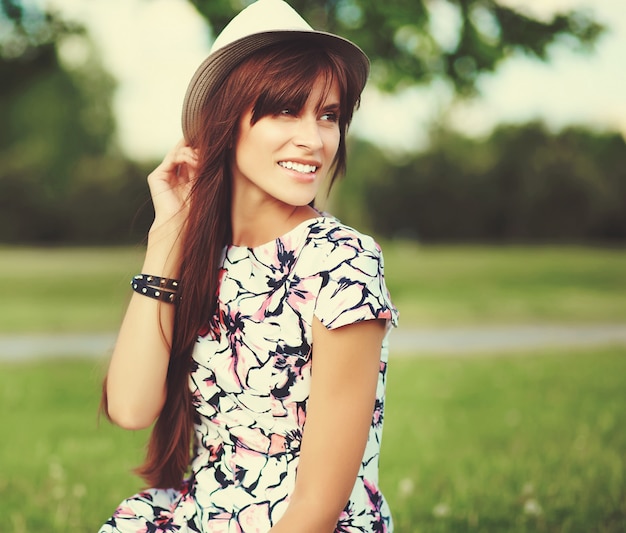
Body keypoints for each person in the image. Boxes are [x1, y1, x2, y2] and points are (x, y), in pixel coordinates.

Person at [98, 0, 398, 531]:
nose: (314, 139)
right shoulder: (196, 253)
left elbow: (318, 508)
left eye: (328, 116)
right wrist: (165, 238)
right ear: (226, 120)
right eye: (286, 110)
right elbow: (129, 407)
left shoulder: (341, 261)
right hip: (201, 516)